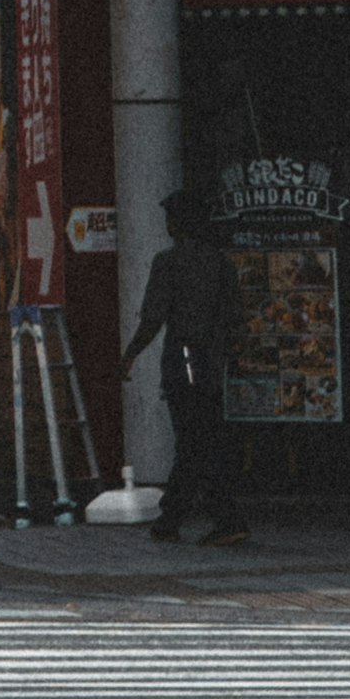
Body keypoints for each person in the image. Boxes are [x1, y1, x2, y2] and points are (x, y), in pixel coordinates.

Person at [124, 190, 249, 547]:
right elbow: (235, 317)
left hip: (183, 360)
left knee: (195, 441)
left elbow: (153, 318)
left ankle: (224, 517)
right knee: (199, 439)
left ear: (178, 223)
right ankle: (172, 517)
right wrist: (231, 357)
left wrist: (130, 354)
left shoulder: (169, 262)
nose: (166, 224)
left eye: (170, 218)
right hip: (213, 362)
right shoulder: (221, 263)